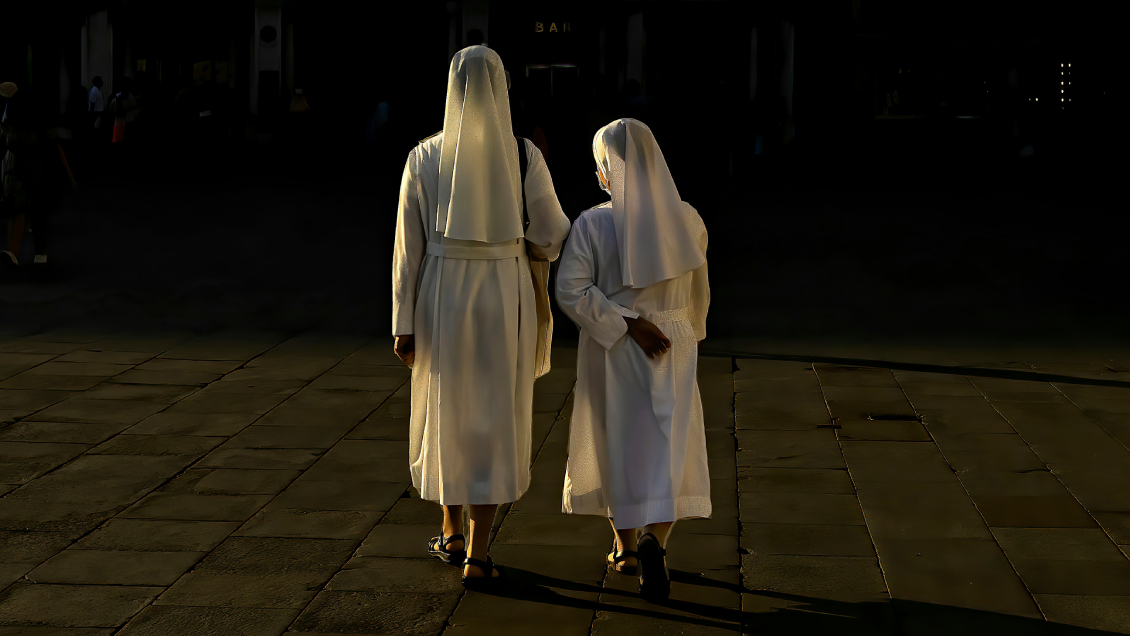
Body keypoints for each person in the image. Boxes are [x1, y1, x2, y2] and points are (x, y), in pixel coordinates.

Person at [391, 45, 571, 587]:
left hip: (442, 292)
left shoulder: (424, 156)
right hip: (504, 291)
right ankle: (478, 550)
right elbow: (552, 234)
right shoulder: (523, 156)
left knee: (448, 407)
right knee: (496, 412)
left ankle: (448, 528)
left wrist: (402, 321)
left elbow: (407, 248)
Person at [555, 118, 711, 602]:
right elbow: (699, 291)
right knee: (670, 445)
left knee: (614, 442)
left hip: (616, 347)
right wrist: (691, 333)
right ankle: (654, 540)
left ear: (607, 169)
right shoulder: (687, 218)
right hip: (673, 342)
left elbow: (570, 290)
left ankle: (623, 546)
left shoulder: (593, 222)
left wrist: (625, 320)